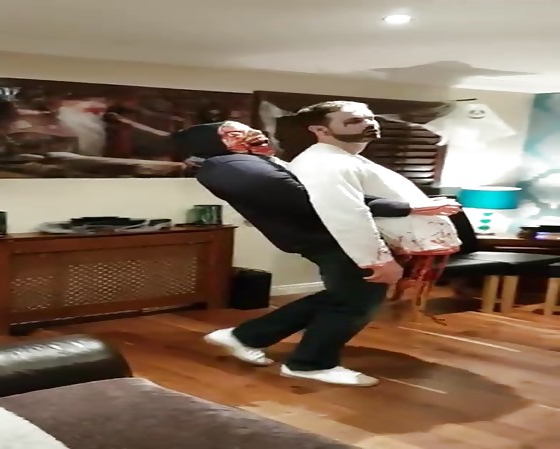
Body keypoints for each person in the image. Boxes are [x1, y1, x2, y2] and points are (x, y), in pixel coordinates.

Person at [173, 118, 459, 386]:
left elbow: (326, 193)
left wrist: (410, 207)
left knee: (347, 297)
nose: (253, 133)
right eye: (234, 134)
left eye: (247, 128)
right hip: (329, 238)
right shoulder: (233, 167)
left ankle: (245, 337)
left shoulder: (245, 163)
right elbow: (320, 201)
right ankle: (309, 364)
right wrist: (404, 208)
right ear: (212, 145)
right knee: (356, 302)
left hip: (327, 236)